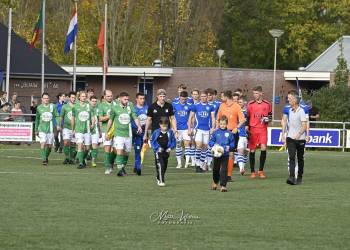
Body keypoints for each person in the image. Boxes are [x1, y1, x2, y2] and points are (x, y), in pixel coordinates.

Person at [106, 92, 142, 176]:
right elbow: (110, 120)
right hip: (118, 133)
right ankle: (120, 170)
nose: (127, 101)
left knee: (126, 152)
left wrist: (139, 126)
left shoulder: (130, 106)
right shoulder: (114, 108)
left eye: (128, 99)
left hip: (128, 134)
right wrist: (107, 132)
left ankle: (122, 167)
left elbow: (135, 117)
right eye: (125, 99)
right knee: (119, 150)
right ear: (120, 99)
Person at [216, 90, 245, 181]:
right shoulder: (221, 105)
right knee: (220, 153)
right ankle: (221, 174)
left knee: (231, 154)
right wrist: (217, 130)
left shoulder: (236, 106)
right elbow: (218, 119)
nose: (221, 98)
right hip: (222, 133)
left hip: (232, 133)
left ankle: (228, 175)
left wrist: (237, 127)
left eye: (222, 96)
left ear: (226, 97)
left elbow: (243, 120)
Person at [281, 90, 307, 185]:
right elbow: (284, 121)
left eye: (290, 98)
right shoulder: (289, 111)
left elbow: (304, 125)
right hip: (290, 138)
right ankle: (291, 177)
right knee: (291, 157)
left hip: (300, 139)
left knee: (300, 158)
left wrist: (299, 134)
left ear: (295, 100)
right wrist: (283, 134)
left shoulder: (302, 111)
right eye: (288, 98)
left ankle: (299, 177)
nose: (288, 100)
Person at [246, 86, 271, 179]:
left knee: (263, 148)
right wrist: (247, 127)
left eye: (256, 93)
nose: (255, 95)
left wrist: (267, 119)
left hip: (263, 129)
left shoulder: (267, 104)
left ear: (261, 93)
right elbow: (247, 116)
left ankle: (261, 171)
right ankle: (252, 171)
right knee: (252, 150)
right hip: (253, 129)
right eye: (254, 93)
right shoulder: (250, 104)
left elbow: (270, 116)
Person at [188, 90, 215, 173]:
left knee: (205, 147)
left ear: (207, 97)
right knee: (198, 145)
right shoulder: (195, 106)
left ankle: (201, 164)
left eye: (205, 96)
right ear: (200, 97)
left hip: (207, 130)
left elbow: (213, 118)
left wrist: (213, 127)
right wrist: (190, 128)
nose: (203, 98)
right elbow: (190, 118)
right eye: (202, 96)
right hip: (198, 129)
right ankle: (197, 164)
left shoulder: (211, 106)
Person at [208, 115, 235, 192]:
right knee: (215, 169)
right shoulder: (215, 133)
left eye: (224, 124)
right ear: (219, 124)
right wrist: (213, 145)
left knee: (224, 169)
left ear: (227, 124)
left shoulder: (229, 133)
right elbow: (211, 141)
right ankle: (215, 182)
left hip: (225, 155)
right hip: (216, 155)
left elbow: (232, 143)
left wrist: (229, 147)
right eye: (221, 124)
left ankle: (223, 186)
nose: (222, 125)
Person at [150, 116, 176, 187]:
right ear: (160, 125)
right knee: (161, 165)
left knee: (164, 166)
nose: (164, 127)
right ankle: (161, 181)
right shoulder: (156, 132)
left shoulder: (170, 132)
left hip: (166, 151)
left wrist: (170, 148)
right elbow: (151, 141)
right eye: (163, 126)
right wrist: (157, 148)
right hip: (158, 151)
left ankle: (159, 176)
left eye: (166, 126)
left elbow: (174, 142)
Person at [35, 93, 60, 166]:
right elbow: (37, 119)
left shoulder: (53, 106)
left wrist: (58, 124)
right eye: (44, 98)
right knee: (43, 143)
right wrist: (36, 129)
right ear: (42, 99)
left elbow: (57, 116)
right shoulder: (39, 108)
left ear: (49, 99)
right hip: (42, 129)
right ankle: (44, 160)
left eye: (47, 98)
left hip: (50, 129)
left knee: (49, 146)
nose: (46, 99)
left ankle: (46, 157)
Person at [71, 91, 93, 169]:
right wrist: (73, 129)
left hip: (87, 130)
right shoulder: (75, 107)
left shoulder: (89, 106)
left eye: (85, 96)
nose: (83, 98)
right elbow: (73, 118)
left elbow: (92, 117)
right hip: (78, 130)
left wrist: (92, 124)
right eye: (82, 96)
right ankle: (80, 163)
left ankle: (82, 158)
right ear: (79, 97)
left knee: (87, 148)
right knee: (80, 145)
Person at [173, 91, 192, 168]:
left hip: (186, 128)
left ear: (187, 98)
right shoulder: (174, 105)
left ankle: (187, 162)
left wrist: (190, 128)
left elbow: (191, 118)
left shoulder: (190, 105)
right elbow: (172, 117)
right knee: (178, 145)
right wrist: (174, 129)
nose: (183, 100)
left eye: (185, 99)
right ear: (179, 97)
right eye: (182, 99)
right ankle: (179, 163)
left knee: (187, 144)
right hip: (178, 129)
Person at [99, 90, 115, 174]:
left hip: (116, 130)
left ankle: (111, 163)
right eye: (108, 96)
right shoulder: (101, 106)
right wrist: (109, 116)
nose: (110, 97)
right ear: (104, 97)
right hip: (106, 130)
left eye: (111, 96)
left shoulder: (116, 104)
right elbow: (100, 118)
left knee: (115, 150)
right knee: (107, 148)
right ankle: (107, 167)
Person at [132, 93, 148, 175]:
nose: (142, 100)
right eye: (140, 98)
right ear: (136, 99)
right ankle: (137, 167)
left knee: (142, 149)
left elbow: (149, 120)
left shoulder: (147, 108)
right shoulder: (133, 109)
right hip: (135, 131)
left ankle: (136, 166)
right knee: (136, 150)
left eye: (143, 98)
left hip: (143, 132)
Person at [59, 91, 76, 165]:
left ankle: (71, 158)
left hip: (75, 128)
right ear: (69, 98)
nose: (73, 99)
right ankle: (66, 158)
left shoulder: (78, 106)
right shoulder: (64, 106)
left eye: (74, 97)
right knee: (66, 142)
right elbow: (61, 117)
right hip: (66, 127)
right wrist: (60, 125)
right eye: (72, 97)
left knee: (73, 144)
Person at [237, 96, 249, 175]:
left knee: (245, 152)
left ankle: (243, 167)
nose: (239, 104)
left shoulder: (248, 112)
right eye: (238, 102)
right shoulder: (237, 111)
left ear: (245, 102)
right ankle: (241, 168)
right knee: (240, 151)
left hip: (247, 136)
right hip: (239, 135)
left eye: (240, 102)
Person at [90, 95, 101, 167]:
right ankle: (84, 159)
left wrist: (100, 131)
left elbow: (99, 121)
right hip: (86, 130)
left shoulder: (98, 109)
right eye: (92, 101)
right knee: (86, 146)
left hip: (95, 130)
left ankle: (93, 160)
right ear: (90, 101)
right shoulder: (87, 108)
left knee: (95, 145)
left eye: (95, 101)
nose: (94, 102)